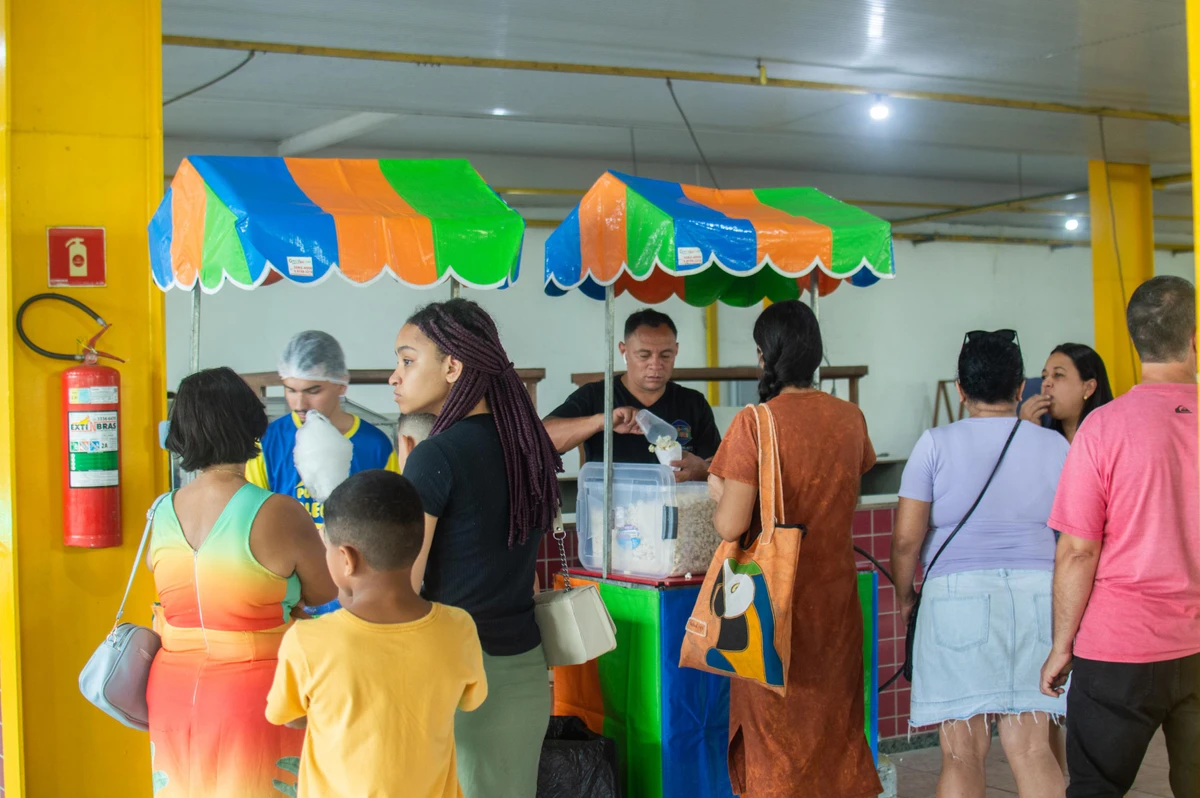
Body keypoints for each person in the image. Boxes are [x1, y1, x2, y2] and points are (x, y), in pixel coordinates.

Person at [707, 300, 881, 797]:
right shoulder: (850, 418)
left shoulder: (755, 423)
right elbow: (856, 471)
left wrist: (720, 492)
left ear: (764, 355)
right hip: (837, 610)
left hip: (771, 609)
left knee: (776, 745)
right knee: (836, 736)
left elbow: (731, 526)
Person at [390, 298, 562, 797]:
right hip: (525, 671)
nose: (394, 377)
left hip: (455, 679)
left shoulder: (435, 458)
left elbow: (404, 587)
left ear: (453, 366)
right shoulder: (523, 447)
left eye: (406, 360)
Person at [891, 330, 1068, 798]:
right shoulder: (1055, 448)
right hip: (1039, 600)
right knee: (1033, 749)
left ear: (961, 389)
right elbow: (1074, 540)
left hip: (956, 600)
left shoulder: (934, 444)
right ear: (1019, 389)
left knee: (961, 753)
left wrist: (907, 598)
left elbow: (907, 538)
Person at [1040, 276, 1199, 798]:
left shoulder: (1104, 428)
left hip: (1118, 653)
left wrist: (1062, 645)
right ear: (1195, 338)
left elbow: (1078, 551)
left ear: (1133, 341)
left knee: (1095, 790)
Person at [147, 367, 337, 797]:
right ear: (251, 423)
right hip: (255, 691)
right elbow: (326, 589)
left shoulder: (159, 511)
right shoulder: (276, 511)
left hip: (170, 689)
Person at [266, 470, 487, 798]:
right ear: (413, 547)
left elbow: (291, 716)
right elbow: (469, 700)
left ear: (346, 558)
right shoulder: (459, 628)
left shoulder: (308, 641)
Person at [1019, 342, 1113, 772]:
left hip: (1101, 586)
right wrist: (1023, 431)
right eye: (1044, 374)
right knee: (1052, 706)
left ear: (1090, 386)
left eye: (1059, 375)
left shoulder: (1108, 441)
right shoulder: (1040, 441)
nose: (1048, 384)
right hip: (1052, 586)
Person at [544, 309, 721, 482]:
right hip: (611, 507)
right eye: (644, 355)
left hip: (676, 505)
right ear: (624, 351)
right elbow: (543, 439)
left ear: (676, 350)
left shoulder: (693, 402)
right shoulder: (597, 395)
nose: (655, 364)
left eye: (666, 355)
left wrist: (700, 470)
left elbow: (718, 466)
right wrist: (603, 421)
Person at [246, 330, 398, 527]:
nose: (300, 404)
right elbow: (254, 520)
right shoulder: (268, 442)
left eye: (313, 391)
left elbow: (390, 522)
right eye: (291, 390)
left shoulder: (376, 446)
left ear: (341, 384)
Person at [1020, 343, 1114, 443]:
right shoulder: (1045, 438)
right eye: (1044, 376)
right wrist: (1027, 434)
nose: (1046, 383)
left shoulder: (1110, 440)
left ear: (1088, 388)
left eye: (1058, 375)